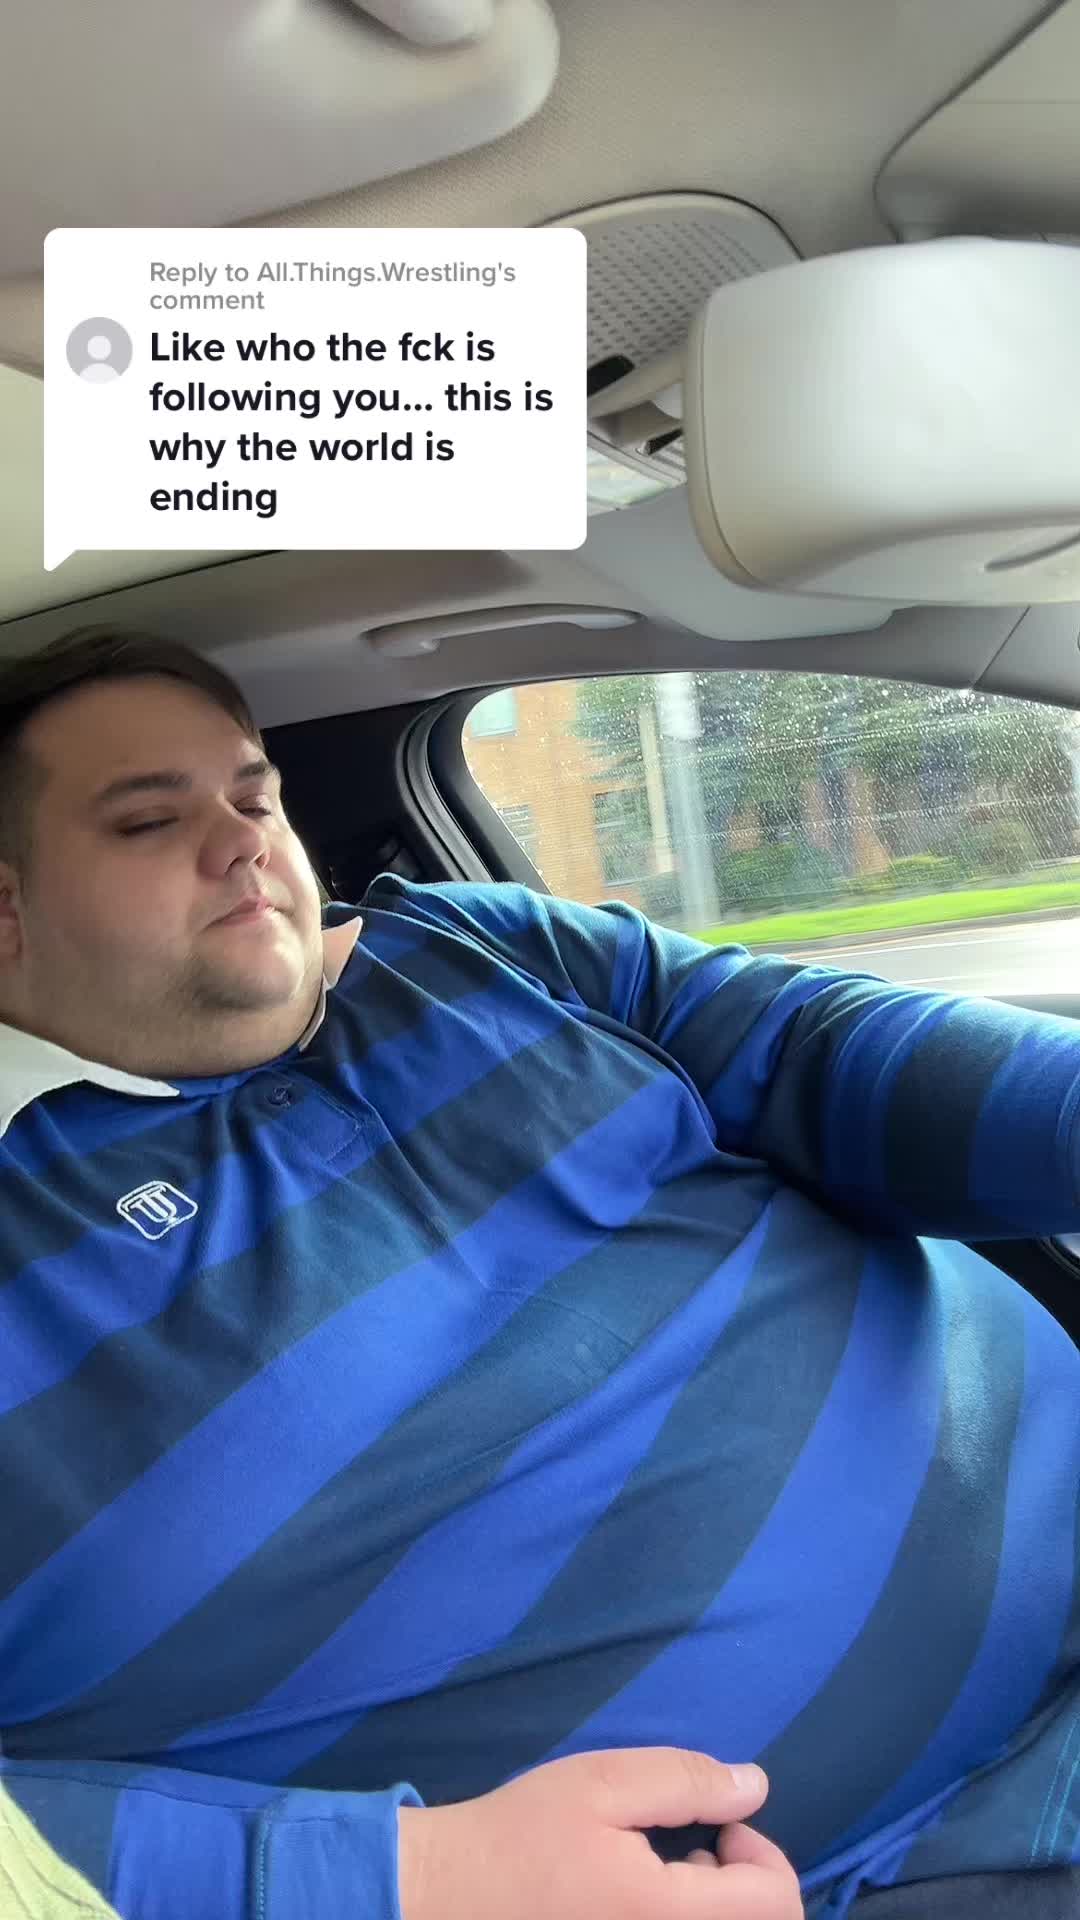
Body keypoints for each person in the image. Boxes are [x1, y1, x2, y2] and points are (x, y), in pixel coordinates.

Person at [0, 628, 1075, 1920]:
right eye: (149, 821)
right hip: (850, 1878)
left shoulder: (477, 948)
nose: (242, 843)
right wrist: (409, 1880)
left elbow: (820, 1053)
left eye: (253, 797)